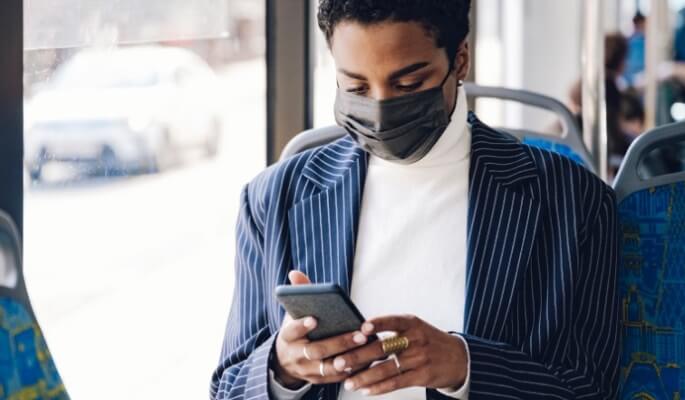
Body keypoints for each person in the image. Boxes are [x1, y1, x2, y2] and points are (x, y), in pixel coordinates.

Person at [210, 1, 620, 399]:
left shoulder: (572, 202)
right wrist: (282, 368)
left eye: (408, 85)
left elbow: (591, 387)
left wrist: (465, 366)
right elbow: (227, 387)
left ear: (460, 60)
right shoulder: (273, 199)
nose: (380, 110)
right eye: (355, 87)